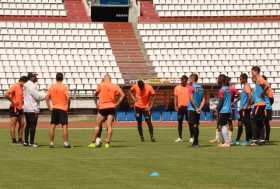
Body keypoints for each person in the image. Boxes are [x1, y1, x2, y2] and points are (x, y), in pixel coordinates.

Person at [88, 74, 125, 148]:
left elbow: (95, 95)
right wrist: (117, 104)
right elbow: (123, 95)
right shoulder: (115, 85)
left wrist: (96, 104)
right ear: (110, 79)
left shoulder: (101, 85)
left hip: (103, 107)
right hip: (111, 107)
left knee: (98, 125)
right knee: (109, 126)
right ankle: (107, 143)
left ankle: (93, 142)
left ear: (104, 78)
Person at [46, 73, 71, 148]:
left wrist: (49, 107)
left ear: (56, 78)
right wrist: (68, 107)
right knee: (64, 126)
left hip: (55, 108)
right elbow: (68, 98)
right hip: (63, 108)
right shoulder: (64, 87)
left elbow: (47, 98)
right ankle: (65, 143)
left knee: (52, 125)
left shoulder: (52, 87)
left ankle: (51, 143)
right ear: (62, 78)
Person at [23, 73, 46, 147]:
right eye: (35, 76)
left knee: (28, 125)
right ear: (32, 78)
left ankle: (26, 142)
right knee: (33, 125)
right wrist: (44, 94)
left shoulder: (26, 84)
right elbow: (38, 97)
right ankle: (31, 142)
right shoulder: (32, 85)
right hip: (32, 108)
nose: (36, 78)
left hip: (26, 108)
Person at [251, 66, 271, 145]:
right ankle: (262, 139)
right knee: (260, 121)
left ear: (256, 71)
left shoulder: (259, 78)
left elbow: (267, 85)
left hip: (259, 104)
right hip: (260, 103)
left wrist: (263, 93)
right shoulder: (257, 80)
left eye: (252, 72)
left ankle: (255, 140)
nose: (251, 73)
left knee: (253, 120)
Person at [5, 76, 28, 144]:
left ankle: (20, 139)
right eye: (25, 83)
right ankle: (14, 140)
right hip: (14, 108)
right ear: (22, 81)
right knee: (13, 124)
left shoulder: (23, 88)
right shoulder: (15, 86)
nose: (25, 84)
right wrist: (13, 101)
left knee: (22, 124)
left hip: (21, 108)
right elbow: (6, 94)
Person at [187, 73, 205, 147]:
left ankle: (196, 143)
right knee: (196, 125)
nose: (189, 79)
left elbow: (191, 99)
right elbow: (203, 99)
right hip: (198, 110)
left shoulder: (191, 87)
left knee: (193, 125)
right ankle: (195, 142)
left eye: (190, 78)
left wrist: (196, 108)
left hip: (192, 109)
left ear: (192, 79)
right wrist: (200, 108)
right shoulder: (201, 87)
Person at [235, 73, 252, 145]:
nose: (240, 80)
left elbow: (250, 96)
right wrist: (235, 101)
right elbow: (243, 96)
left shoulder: (247, 86)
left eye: (241, 79)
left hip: (245, 109)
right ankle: (237, 140)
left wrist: (247, 105)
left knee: (247, 124)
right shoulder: (244, 86)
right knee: (240, 124)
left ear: (244, 79)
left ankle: (248, 140)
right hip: (242, 109)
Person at [173, 75, 191, 143]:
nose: (184, 82)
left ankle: (191, 137)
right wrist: (175, 106)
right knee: (179, 123)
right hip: (180, 107)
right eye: (183, 80)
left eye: (185, 81)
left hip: (188, 107)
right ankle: (180, 137)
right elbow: (175, 97)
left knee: (190, 123)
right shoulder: (177, 88)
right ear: (181, 80)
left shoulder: (189, 87)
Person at [216, 74, 232, 148]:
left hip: (223, 110)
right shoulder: (228, 88)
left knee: (223, 126)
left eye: (218, 79)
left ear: (221, 80)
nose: (217, 80)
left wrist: (217, 109)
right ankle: (226, 141)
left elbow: (221, 101)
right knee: (225, 125)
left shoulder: (222, 90)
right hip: (229, 109)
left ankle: (226, 142)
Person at [263, 75, 274, 142]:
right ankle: (264, 137)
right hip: (266, 107)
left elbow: (271, 99)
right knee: (264, 123)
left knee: (265, 123)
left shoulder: (267, 88)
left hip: (266, 107)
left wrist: (268, 105)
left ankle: (266, 138)